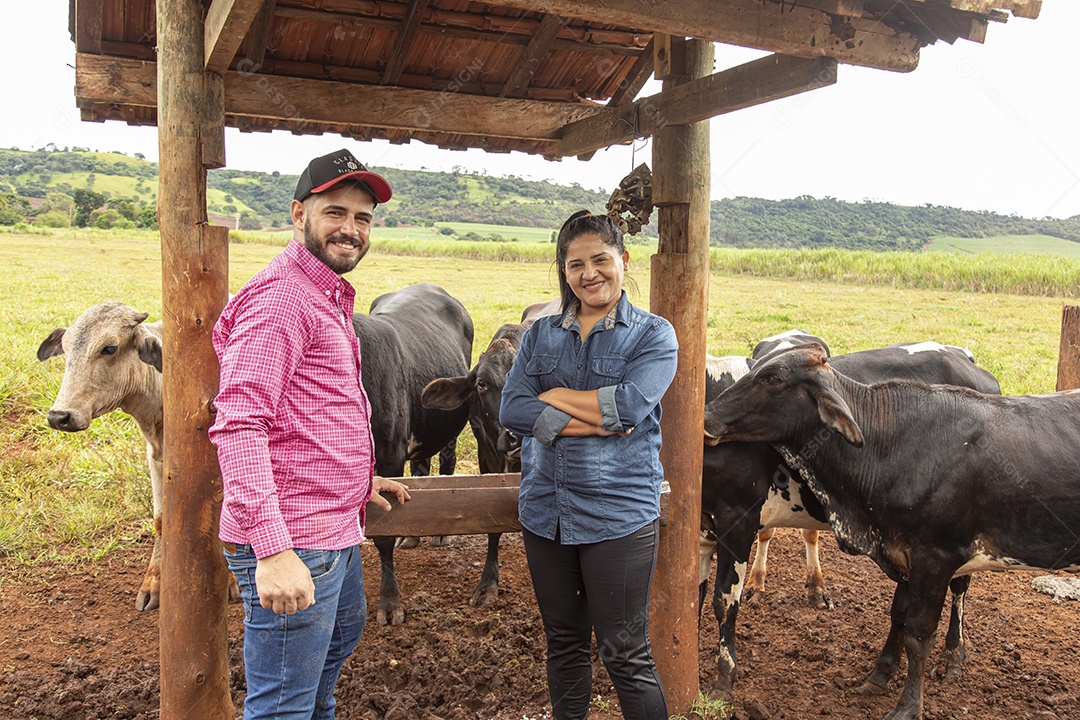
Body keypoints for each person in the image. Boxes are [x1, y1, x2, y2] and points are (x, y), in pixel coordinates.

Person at [209, 148, 411, 720]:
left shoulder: (324, 293)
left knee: (324, 672)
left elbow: (308, 412)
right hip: (293, 538)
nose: (351, 229)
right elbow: (241, 423)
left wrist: (355, 480)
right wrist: (272, 551)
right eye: (335, 213)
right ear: (298, 213)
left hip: (332, 526)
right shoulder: (282, 300)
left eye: (363, 217)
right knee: (282, 705)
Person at [499, 210, 679, 720]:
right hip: (545, 511)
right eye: (575, 264)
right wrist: (593, 414)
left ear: (623, 260)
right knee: (563, 643)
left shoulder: (653, 335)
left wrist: (553, 398)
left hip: (617, 515)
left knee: (625, 653)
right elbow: (511, 408)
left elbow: (628, 409)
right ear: (564, 270)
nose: (589, 274)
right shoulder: (539, 336)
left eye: (600, 259)